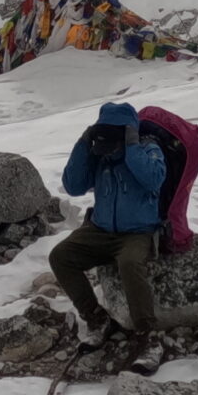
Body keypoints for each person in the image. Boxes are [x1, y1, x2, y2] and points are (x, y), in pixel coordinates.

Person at [51, 102, 167, 372]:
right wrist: (84, 144)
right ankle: (96, 319)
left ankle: (149, 338)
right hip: (100, 230)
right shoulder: (100, 154)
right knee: (61, 256)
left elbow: (154, 180)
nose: (108, 140)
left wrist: (131, 147)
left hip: (138, 231)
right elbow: (73, 185)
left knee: (129, 263)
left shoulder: (149, 149)